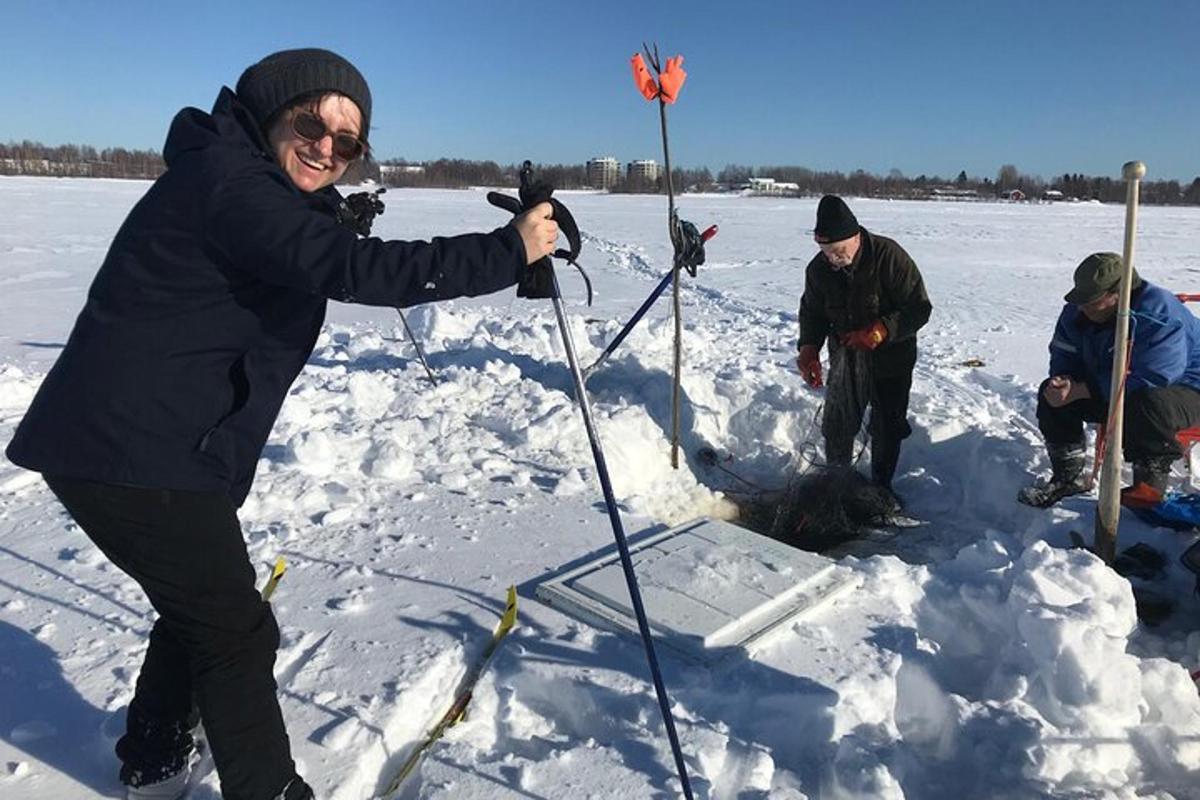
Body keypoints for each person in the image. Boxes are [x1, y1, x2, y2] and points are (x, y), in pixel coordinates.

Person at [5, 48, 557, 800]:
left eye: (348, 142)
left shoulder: (238, 180)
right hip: (128, 450)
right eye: (311, 122)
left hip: (158, 446)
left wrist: (334, 220)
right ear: (269, 113)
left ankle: (155, 750)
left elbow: (302, 247)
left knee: (204, 609)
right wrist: (508, 251)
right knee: (234, 630)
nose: (327, 147)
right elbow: (353, 270)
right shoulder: (228, 183)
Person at [1018, 252, 1200, 508]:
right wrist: (1064, 382)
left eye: (1093, 302)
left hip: (1184, 389)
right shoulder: (1076, 313)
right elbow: (1063, 353)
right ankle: (1067, 476)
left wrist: (1085, 389)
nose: (1083, 308)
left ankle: (1148, 490)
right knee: (1051, 396)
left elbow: (1154, 375)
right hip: (1111, 388)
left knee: (1148, 404)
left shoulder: (1160, 314)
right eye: (1082, 300)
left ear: (1120, 295)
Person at [795, 195, 932, 510]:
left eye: (838, 250)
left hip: (891, 359)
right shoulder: (818, 270)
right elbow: (812, 313)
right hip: (846, 357)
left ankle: (881, 486)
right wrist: (808, 349)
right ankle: (838, 484)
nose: (832, 258)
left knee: (887, 423)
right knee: (838, 421)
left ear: (855, 237)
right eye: (826, 251)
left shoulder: (888, 256)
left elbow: (919, 308)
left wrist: (882, 330)